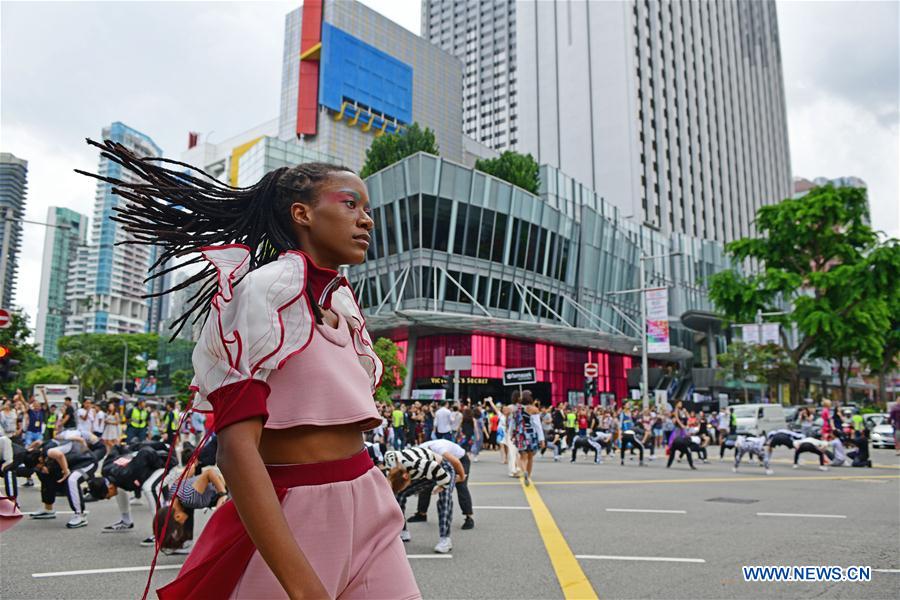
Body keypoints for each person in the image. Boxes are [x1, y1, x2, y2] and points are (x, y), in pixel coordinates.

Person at [80, 145, 419, 599]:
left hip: (371, 499)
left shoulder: (343, 305)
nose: (367, 220)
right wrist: (304, 590)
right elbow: (236, 452)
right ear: (302, 214)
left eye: (368, 209)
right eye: (350, 203)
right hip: (294, 513)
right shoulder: (259, 293)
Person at [385, 445, 463, 554]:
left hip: (442, 468)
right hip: (424, 474)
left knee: (444, 500)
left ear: (406, 476)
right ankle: (403, 531)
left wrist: (442, 486)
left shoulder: (418, 465)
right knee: (400, 495)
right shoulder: (389, 464)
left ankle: (445, 540)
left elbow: (441, 473)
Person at [87, 443, 169, 543]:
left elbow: (146, 451)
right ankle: (126, 521)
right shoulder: (107, 471)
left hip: (165, 463)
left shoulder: (126, 474)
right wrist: (129, 453)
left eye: (106, 496)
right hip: (148, 464)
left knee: (149, 488)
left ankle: (162, 531)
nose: (108, 499)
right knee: (120, 488)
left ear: (109, 487)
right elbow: (117, 447)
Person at [411, 438, 475, 530]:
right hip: (443, 461)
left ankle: (469, 518)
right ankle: (421, 514)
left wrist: (461, 477)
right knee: (426, 483)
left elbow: (456, 462)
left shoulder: (439, 448)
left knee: (461, 486)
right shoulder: (418, 451)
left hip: (460, 460)